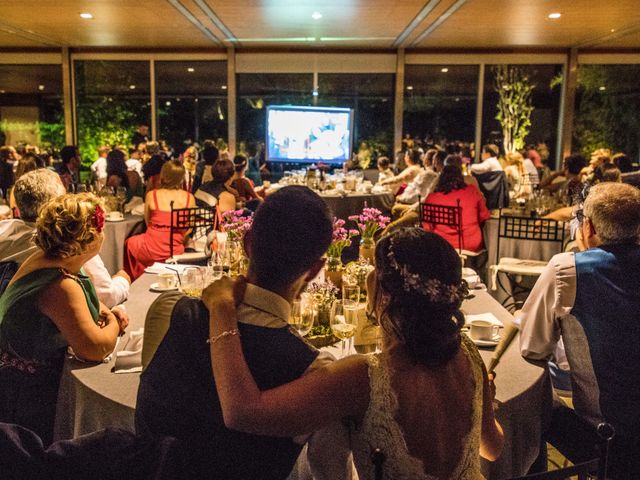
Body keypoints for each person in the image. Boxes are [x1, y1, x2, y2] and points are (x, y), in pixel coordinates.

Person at [204, 228, 504, 479]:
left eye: (374, 267)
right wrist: (482, 403)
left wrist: (221, 308)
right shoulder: (467, 352)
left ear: (386, 293)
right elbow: (493, 447)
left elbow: (242, 411)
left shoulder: (364, 376)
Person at [136, 186, 353, 479]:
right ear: (315, 269)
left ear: (247, 243)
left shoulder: (179, 312)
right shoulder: (313, 371)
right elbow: (328, 471)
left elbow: (147, 418)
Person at [517, 183, 640, 479]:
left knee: (531, 404)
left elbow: (533, 347)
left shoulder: (569, 269)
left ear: (588, 227)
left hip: (605, 441)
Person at [0, 193, 128, 445]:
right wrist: (114, 322)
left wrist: (103, 312)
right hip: (30, 393)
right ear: (89, 238)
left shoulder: (54, 260)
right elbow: (95, 348)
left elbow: (86, 301)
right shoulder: (58, 283)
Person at [0, 169, 131, 308]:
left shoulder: (4, 230)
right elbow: (105, 296)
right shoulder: (67, 240)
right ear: (58, 204)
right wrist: (123, 280)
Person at [124, 160, 196, 280]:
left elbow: (148, 222)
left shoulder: (152, 195)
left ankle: (136, 278)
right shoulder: (189, 198)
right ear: (181, 178)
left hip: (152, 246)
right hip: (176, 248)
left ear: (163, 175)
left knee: (129, 243)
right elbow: (190, 226)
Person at [425, 163, 490, 253]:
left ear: (440, 179)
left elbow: (427, 227)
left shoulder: (431, 198)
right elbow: (484, 216)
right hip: (470, 245)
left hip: (441, 246)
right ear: (461, 178)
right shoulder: (472, 191)